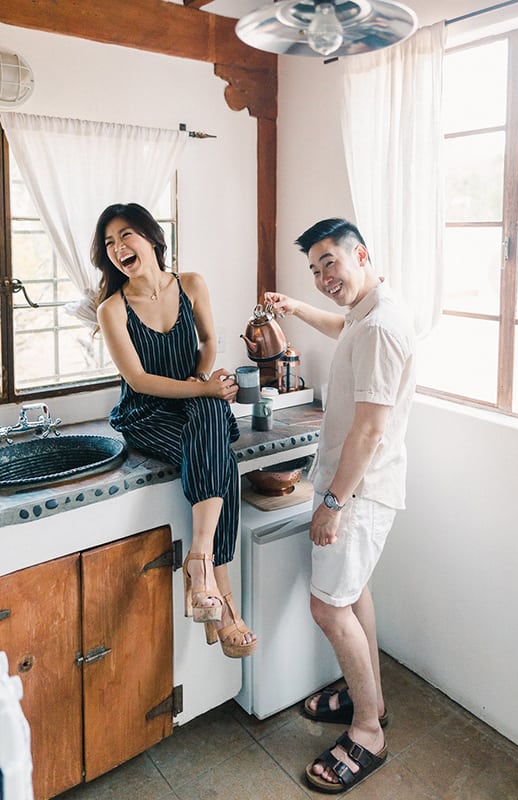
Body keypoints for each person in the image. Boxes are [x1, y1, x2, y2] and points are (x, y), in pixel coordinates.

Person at [265, 218, 415, 793]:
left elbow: (370, 432)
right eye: (315, 269)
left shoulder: (379, 327)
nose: (324, 277)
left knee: (328, 609)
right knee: (352, 595)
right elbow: (342, 327)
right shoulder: (372, 310)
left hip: (358, 490)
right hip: (361, 486)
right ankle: (365, 693)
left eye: (331, 263)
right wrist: (297, 308)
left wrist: (330, 502)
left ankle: (368, 731)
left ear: (361, 254)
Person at [91, 202, 256, 659]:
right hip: (145, 415)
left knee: (210, 434)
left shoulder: (192, 285)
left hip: (192, 407)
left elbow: (208, 342)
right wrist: (202, 390)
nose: (118, 247)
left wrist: (201, 381)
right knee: (219, 455)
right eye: (109, 243)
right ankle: (221, 597)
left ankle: (198, 562)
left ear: (151, 239)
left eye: (126, 235)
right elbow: (139, 381)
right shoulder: (112, 310)